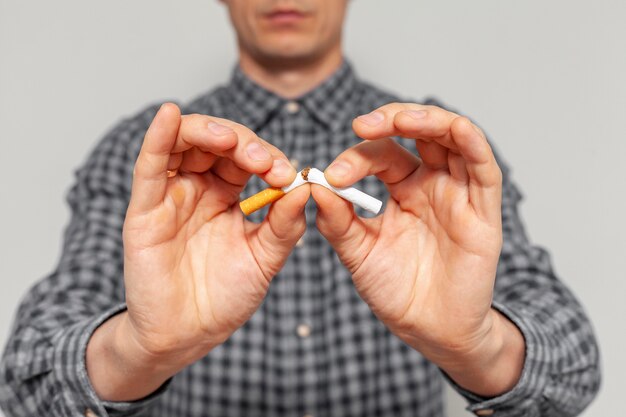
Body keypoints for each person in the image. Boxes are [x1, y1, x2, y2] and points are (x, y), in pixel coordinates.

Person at [0, 1, 601, 416]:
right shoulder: (156, 156)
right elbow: (26, 377)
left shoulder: (439, 152)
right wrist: (137, 350)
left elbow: (572, 372)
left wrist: (476, 345)